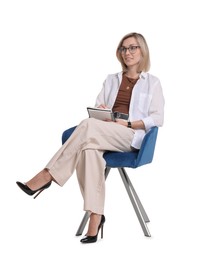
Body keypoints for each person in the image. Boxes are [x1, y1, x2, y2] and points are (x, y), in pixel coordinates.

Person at [16, 32, 165, 243]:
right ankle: (96, 217)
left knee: (85, 126)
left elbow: (158, 118)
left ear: (142, 51)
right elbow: (98, 106)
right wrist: (102, 110)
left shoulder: (153, 82)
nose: (127, 53)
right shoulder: (111, 79)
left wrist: (129, 123)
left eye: (132, 48)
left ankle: (47, 175)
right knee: (88, 150)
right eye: (124, 48)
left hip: (130, 135)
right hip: (104, 131)